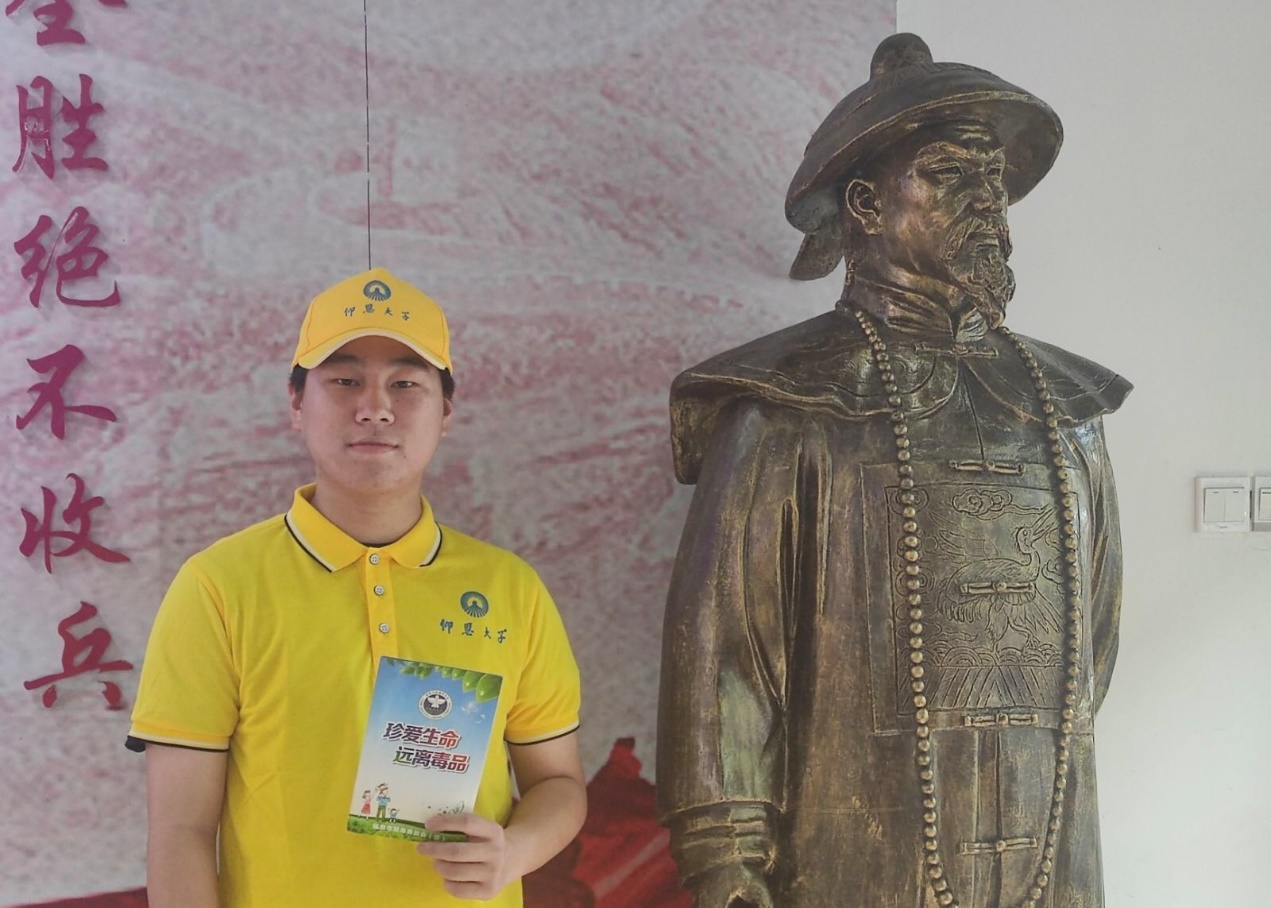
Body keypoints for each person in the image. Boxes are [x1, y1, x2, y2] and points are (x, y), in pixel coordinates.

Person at [657, 34, 1130, 908]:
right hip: (851, 859)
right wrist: (725, 866)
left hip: (1049, 853)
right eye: (948, 174)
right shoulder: (786, 405)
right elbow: (723, 659)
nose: (984, 200)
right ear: (867, 204)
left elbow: (1089, 651)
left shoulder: (1067, 410)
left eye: (992, 178)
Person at [128, 268, 585, 907]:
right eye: (344, 381)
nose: (375, 407)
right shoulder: (218, 587)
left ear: (446, 412)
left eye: (406, 383)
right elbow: (182, 831)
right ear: (297, 403)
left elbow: (558, 783)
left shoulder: (510, 589)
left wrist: (515, 851)